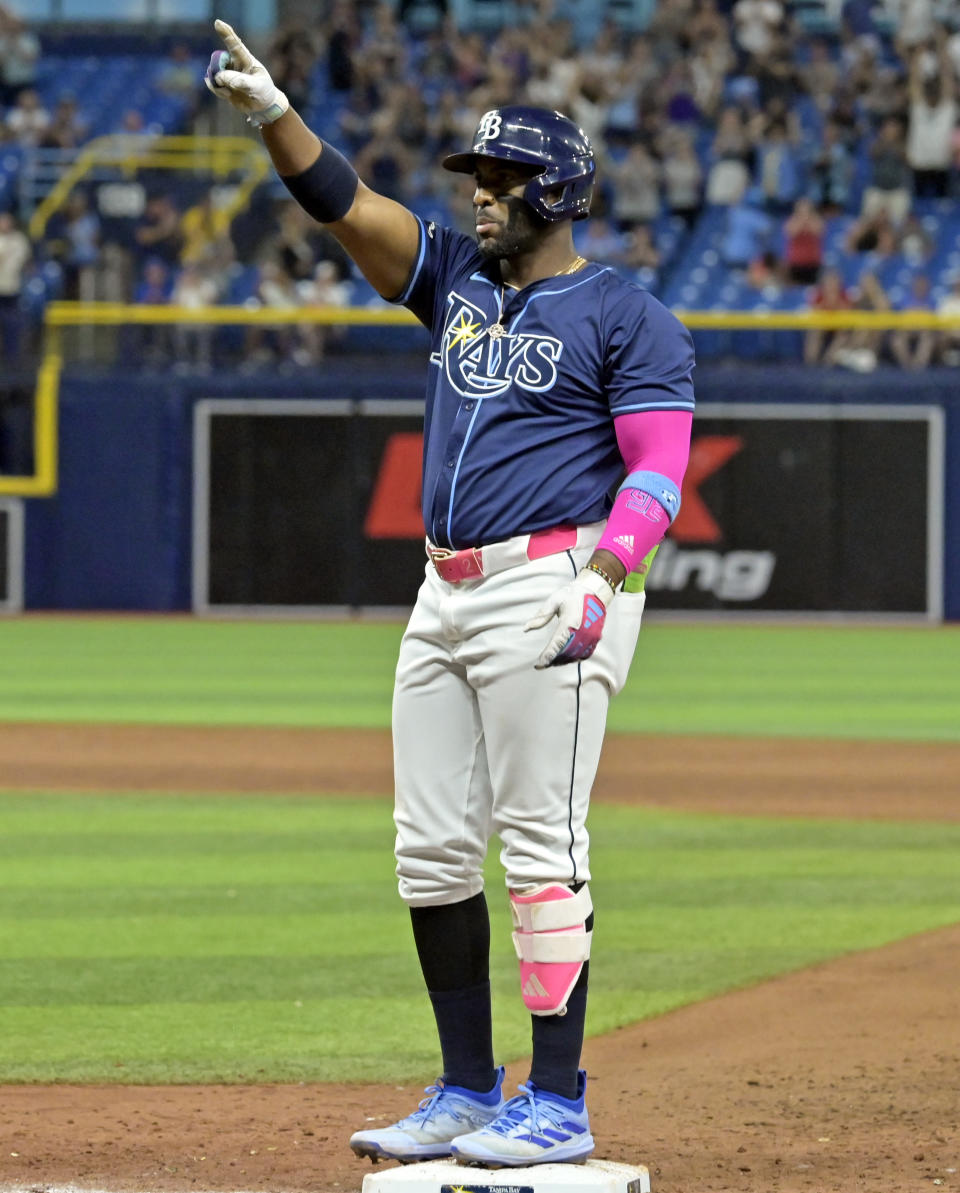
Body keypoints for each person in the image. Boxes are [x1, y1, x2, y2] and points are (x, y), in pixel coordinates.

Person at [206, 21, 695, 1169]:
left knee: (540, 844)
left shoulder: (627, 316)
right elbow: (350, 207)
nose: (480, 195)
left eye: (501, 178)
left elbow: (660, 472)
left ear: (558, 189)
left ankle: (558, 1097)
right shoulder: (457, 282)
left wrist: (605, 576)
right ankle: (471, 1085)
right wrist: (277, 116)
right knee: (430, 848)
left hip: (554, 582)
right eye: (475, 178)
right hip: (445, 588)